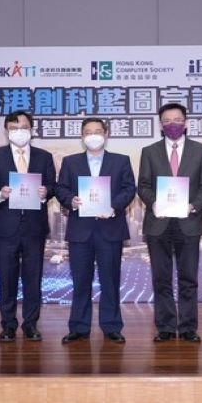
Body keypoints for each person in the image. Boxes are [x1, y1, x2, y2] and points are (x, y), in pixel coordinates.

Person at [137, 102, 202, 342]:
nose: (173, 124)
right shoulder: (149, 151)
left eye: (178, 120)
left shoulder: (200, 151)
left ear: (186, 123)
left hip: (188, 222)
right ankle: (166, 327)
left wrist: (192, 206)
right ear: (161, 125)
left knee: (188, 279)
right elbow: (143, 185)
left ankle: (189, 327)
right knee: (161, 279)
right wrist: (154, 203)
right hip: (158, 223)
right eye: (167, 121)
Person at [55, 118, 136, 344]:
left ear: (106, 134)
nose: (93, 136)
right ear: (82, 136)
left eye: (98, 131)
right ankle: (79, 327)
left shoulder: (121, 161)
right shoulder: (70, 162)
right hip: (80, 230)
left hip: (110, 228)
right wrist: (71, 200)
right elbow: (61, 189)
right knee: (81, 281)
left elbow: (129, 188)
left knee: (110, 280)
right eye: (88, 132)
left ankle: (111, 326)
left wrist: (113, 206)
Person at [0, 110, 55, 342]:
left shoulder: (44, 156)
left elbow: (53, 185)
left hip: (34, 227)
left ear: (31, 130)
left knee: (33, 278)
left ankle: (30, 324)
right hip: (5, 227)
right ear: (6, 131)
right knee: (7, 278)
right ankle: (8, 325)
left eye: (23, 128)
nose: (19, 132)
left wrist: (46, 192)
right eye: (14, 128)